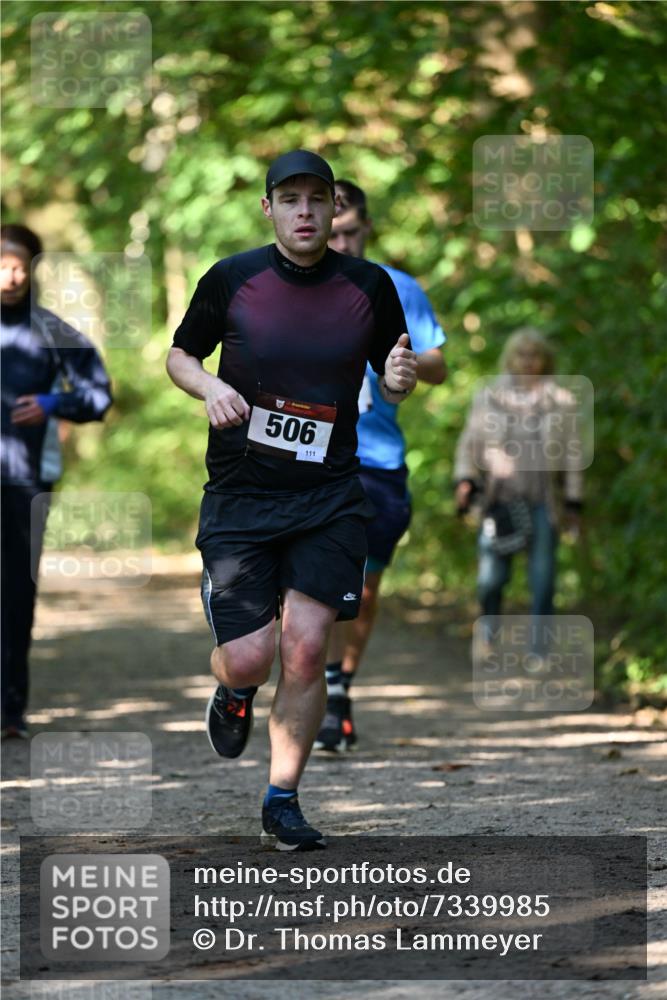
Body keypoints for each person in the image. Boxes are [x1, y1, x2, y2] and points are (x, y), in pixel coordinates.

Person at [166, 150, 417, 850]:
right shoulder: (233, 278)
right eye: (291, 199)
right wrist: (210, 387)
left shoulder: (369, 285)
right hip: (242, 493)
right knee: (250, 657)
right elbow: (180, 355)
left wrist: (399, 378)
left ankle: (283, 800)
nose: (305, 212)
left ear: (335, 208)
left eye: (318, 199)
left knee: (306, 650)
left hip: (331, 494)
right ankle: (233, 689)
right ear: (268, 208)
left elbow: (392, 382)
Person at [314, 180, 447, 752]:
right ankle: (313, 685)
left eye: (350, 231)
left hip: (378, 461)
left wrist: (404, 360)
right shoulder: (296, 284)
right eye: (332, 232)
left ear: (367, 228)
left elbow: (439, 362)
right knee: (309, 586)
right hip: (311, 456)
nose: (341, 242)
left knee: (363, 590)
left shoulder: (399, 288)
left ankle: (339, 687)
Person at [1, 223, 113, 739]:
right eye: (2, 263)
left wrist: (52, 403)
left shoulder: (54, 332)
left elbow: (98, 396)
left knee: (16, 595)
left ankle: (8, 712)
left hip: (27, 483)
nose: (10, 274)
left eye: (20, 264)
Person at [453, 327, 583, 641]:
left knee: (543, 577)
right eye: (521, 355)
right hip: (498, 500)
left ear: (545, 360)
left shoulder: (562, 401)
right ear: (510, 358)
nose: (527, 361)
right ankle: (490, 629)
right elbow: (469, 444)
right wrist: (465, 481)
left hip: (543, 501)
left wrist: (574, 502)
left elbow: (573, 456)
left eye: (534, 355)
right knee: (491, 579)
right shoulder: (489, 396)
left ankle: (540, 649)